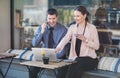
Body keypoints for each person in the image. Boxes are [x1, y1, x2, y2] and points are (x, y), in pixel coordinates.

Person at [55, 6, 100, 78]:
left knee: (77, 62)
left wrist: (85, 40)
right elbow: (65, 39)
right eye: (74, 16)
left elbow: (97, 46)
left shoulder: (92, 28)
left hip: (90, 60)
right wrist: (58, 48)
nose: (75, 18)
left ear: (84, 16)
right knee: (62, 68)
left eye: (78, 16)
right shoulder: (72, 27)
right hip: (75, 60)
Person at [30, 8, 68, 78]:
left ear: (57, 18)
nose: (51, 21)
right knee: (32, 69)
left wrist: (53, 58)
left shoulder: (63, 30)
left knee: (62, 72)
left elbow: (63, 50)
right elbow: (34, 43)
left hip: (59, 57)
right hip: (44, 56)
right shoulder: (42, 28)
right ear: (46, 18)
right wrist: (42, 31)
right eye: (49, 18)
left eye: (53, 18)